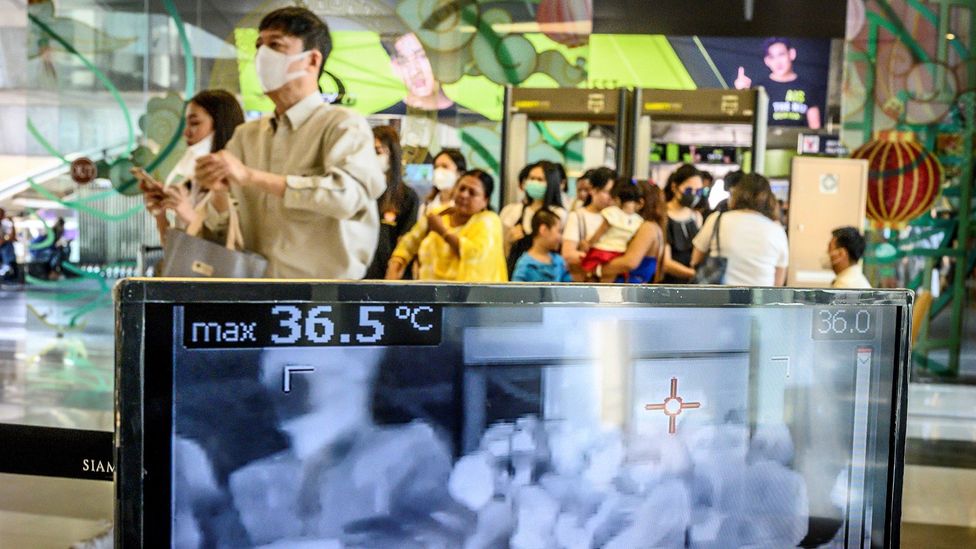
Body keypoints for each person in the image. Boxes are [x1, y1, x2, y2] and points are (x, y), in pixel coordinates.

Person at [195, 7, 386, 279]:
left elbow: (346, 198)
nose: (262, 56)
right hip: (257, 289)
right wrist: (216, 192)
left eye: (275, 45)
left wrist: (252, 177)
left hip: (322, 293)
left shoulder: (343, 125)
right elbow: (225, 228)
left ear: (312, 60)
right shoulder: (246, 136)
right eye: (259, 46)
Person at [137, 89, 245, 244]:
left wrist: (188, 214)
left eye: (194, 123)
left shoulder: (240, 182)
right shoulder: (191, 183)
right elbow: (175, 250)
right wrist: (160, 215)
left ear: (221, 125)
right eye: (186, 124)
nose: (186, 133)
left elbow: (232, 246)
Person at [386, 169, 506, 282]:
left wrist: (443, 232)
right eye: (462, 189)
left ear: (485, 200)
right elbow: (409, 242)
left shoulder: (489, 221)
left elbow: (475, 254)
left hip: (468, 295)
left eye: (472, 192)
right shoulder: (438, 214)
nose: (464, 195)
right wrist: (398, 261)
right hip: (429, 292)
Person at [691, 173, 789, 287]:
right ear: (769, 199)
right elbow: (778, 283)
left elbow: (695, 260)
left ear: (736, 194)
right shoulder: (777, 231)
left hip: (720, 295)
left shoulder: (717, 219)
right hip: (759, 296)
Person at [365, 126, 419, 279]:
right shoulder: (360, 193)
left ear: (392, 154)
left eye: (377, 151)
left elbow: (406, 243)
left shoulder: (406, 196)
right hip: (359, 275)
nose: (371, 157)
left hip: (390, 279)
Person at [734, 37, 823, 129]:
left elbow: (815, 128)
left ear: (792, 54)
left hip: (797, 138)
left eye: (781, 54)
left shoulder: (808, 88)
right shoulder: (759, 88)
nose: (777, 62)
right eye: (772, 57)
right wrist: (742, 93)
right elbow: (743, 125)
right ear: (767, 61)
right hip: (766, 138)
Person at [500, 160, 567, 273]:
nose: (534, 183)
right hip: (517, 273)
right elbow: (502, 250)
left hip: (547, 274)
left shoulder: (559, 214)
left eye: (540, 179)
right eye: (531, 178)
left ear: (551, 183)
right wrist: (509, 241)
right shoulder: (514, 211)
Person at [602, 180, 668, 284]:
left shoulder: (648, 227)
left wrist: (595, 268)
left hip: (629, 289)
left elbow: (629, 262)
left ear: (640, 203)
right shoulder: (651, 226)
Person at [580, 179, 645, 280]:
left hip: (603, 250)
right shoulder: (638, 220)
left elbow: (601, 231)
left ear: (617, 199)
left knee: (592, 275)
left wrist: (589, 243)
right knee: (610, 280)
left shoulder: (612, 212)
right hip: (621, 253)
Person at [562, 167, 615, 281]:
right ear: (592, 190)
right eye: (607, 192)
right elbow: (568, 254)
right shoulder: (578, 216)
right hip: (587, 282)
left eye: (614, 193)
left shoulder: (619, 218)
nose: (611, 198)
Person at [661, 164, 704, 283]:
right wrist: (696, 275)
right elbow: (665, 263)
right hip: (668, 285)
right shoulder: (662, 215)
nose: (693, 195)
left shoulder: (696, 217)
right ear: (674, 187)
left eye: (698, 191)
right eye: (689, 190)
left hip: (690, 284)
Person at [511, 208, 572, 283]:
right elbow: (517, 289)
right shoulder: (525, 265)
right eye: (559, 231)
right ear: (544, 230)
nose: (561, 237)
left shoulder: (559, 262)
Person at [419, 149, 466, 220]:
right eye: (436, 167)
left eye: (445, 166)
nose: (439, 171)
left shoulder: (464, 206)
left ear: (460, 173)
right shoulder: (426, 205)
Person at [0, 208, 16, 280]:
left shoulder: (4, 225)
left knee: (8, 245)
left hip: (3, 247)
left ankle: (9, 267)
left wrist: (12, 223)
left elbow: (12, 237)